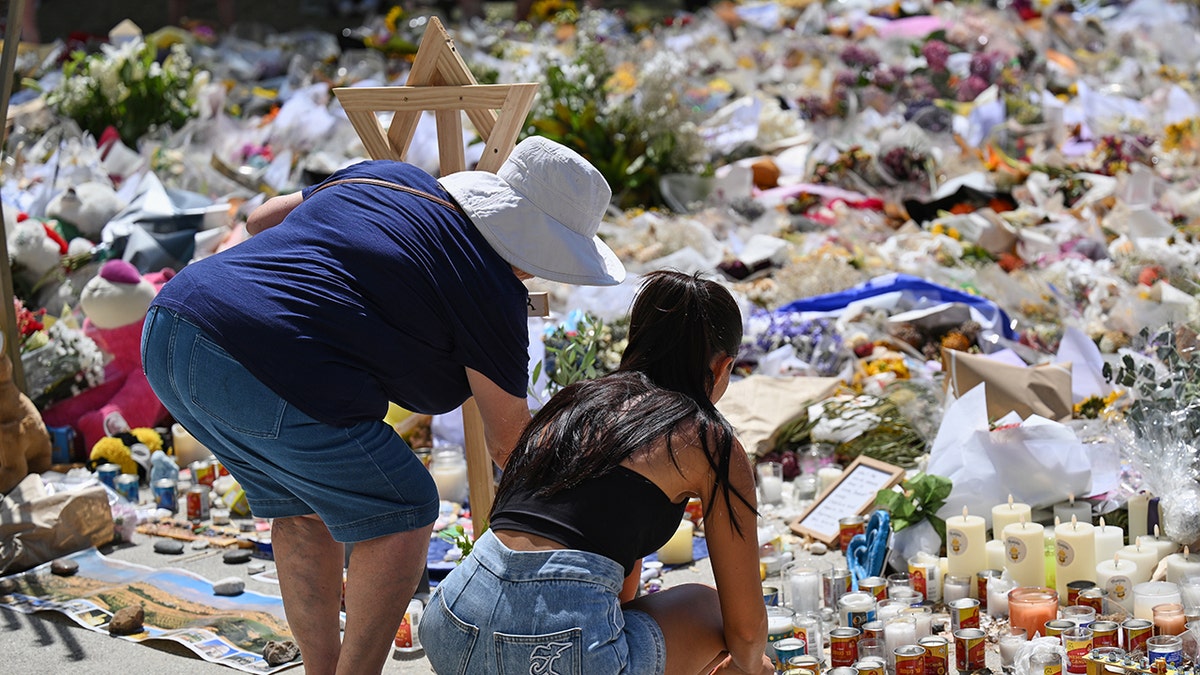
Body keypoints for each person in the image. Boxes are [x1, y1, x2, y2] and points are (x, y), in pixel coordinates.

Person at [141, 135, 625, 675]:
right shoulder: (492, 290)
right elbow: (509, 441)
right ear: (548, 250)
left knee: (302, 513)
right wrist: (581, 528)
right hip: (260, 363)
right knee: (406, 509)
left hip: (172, 327)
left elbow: (260, 219)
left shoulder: (389, 177)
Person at [419, 270, 774, 675]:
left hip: (450, 622)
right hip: (555, 654)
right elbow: (745, 630)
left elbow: (616, 578)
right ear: (724, 365)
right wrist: (748, 668)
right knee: (707, 606)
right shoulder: (707, 440)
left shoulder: (575, 403)